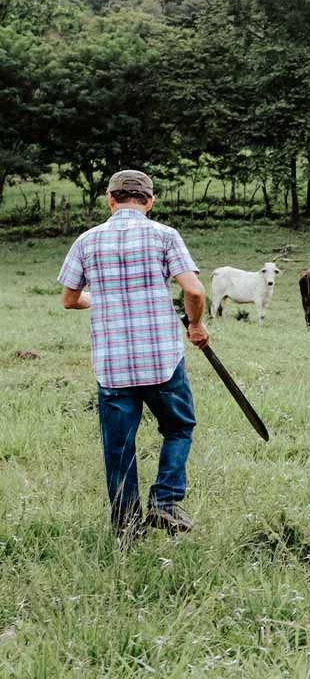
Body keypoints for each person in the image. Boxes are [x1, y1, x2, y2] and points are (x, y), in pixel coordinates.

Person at [58, 170, 209, 538]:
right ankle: (166, 501)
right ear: (150, 201)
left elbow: (69, 299)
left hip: (113, 367)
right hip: (161, 362)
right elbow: (195, 290)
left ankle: (126, 529)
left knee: (118, 448)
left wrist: (101, 298)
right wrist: (195, 326)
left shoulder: (87, 241)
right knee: (178, 427)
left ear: (110, 200)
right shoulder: (164, 236)